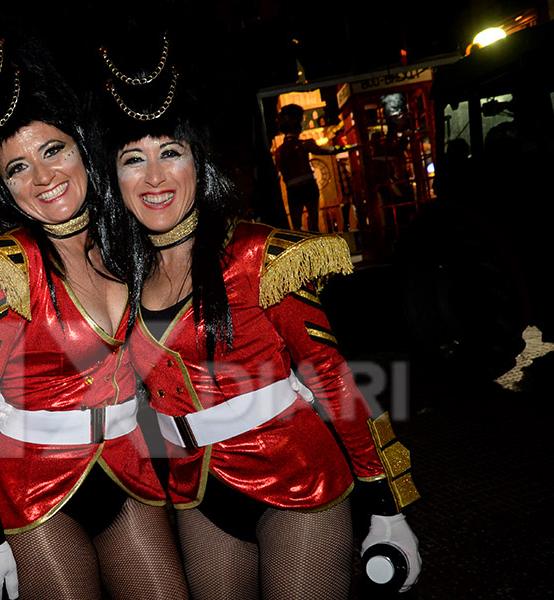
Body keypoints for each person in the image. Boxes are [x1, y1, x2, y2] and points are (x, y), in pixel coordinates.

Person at [94, 30, 421, 600]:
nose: (153, 178)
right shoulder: (120, 277)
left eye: (171, 152)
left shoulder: (259, 255)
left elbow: (336, 382)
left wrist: (386, 500)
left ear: (199, 161)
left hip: (297, 479)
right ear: (115, 182)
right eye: (132, 160)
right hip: (199, 493)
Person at [0, 23, 187, 600]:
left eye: (53, 150)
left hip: (127, 469)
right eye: (17, 168)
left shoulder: (130, 245)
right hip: (34, 488)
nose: (42, 178)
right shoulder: (1, 271)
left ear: (83, 150)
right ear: (4, 186)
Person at [274, 103, 353, 232]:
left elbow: (277, 174)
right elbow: (325, 150)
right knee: (314, 223)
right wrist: (347, 148)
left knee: (297, 227)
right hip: (309, 185)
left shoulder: (279, 152)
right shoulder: (305, 144)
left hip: (292, 188)